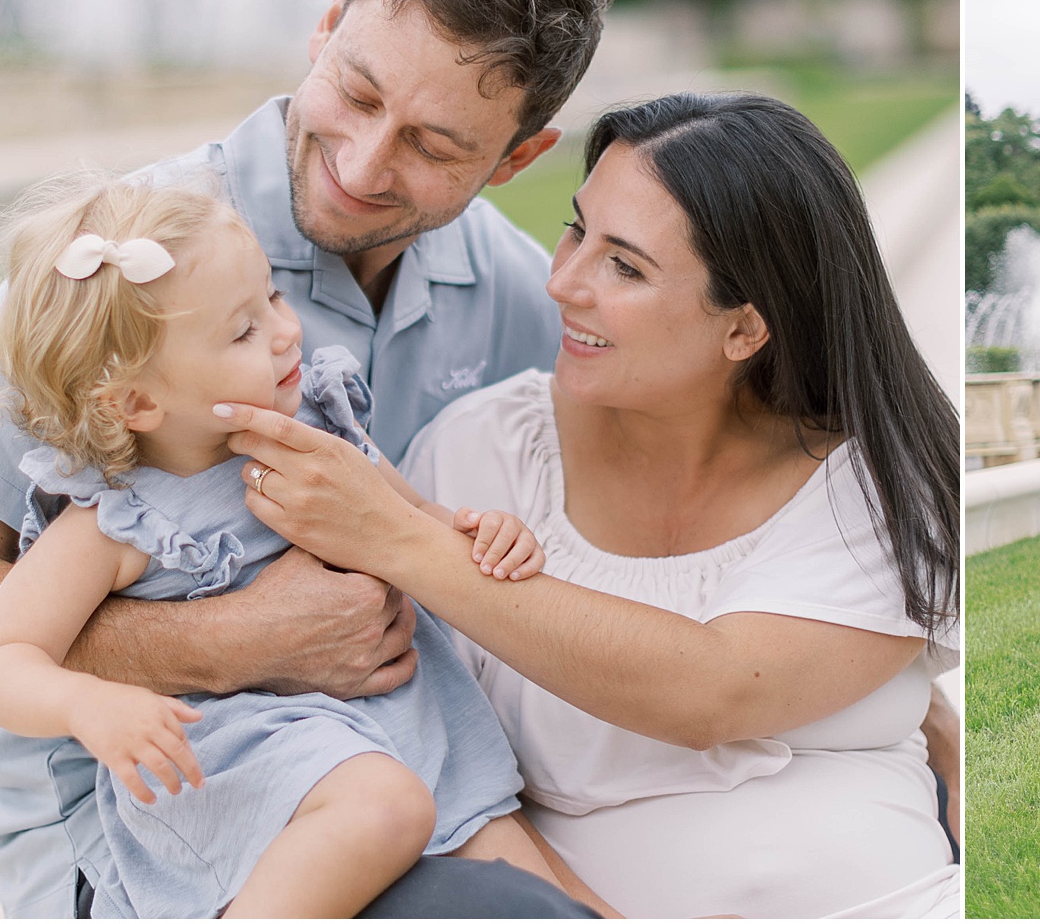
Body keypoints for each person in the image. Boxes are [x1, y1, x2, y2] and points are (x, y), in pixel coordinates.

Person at [0, 0, 613, 918]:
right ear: (328, 19)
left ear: (519, 158)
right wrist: (228, 638)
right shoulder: (116, 276)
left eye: (434, 145)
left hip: (414, 753)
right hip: (157, 827)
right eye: (357, 89)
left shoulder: (514, 293)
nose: (361, 162)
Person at [219, 92, 964, 918]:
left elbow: (714, 689)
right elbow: (427, 750)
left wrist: (401, 538)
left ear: (745, 329)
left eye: (625, 265)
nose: (562, 280)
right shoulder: (481, 449)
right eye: (577, 230)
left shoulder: (878, 483)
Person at [0, 176, 568, 918]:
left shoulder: (317, 421)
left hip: (404, 718)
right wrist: (89, 704)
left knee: (552, 890)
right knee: (384, 806)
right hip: (239, 761)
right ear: (139, 401)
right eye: (244, 330)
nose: (287, 331)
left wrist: (480, 530)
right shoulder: (115, 520)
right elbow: (1, 661)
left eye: (274, 299)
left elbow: (418, 519)